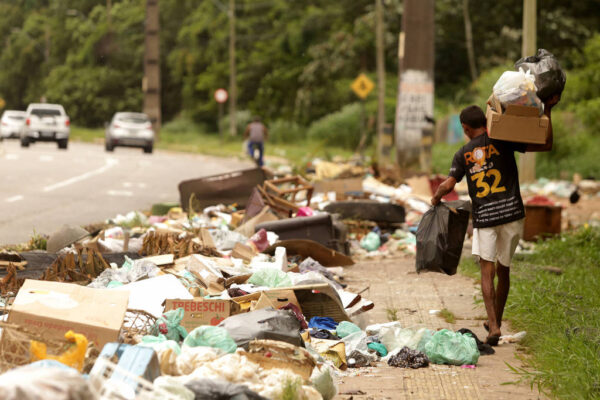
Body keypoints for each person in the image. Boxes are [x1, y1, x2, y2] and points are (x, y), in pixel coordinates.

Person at [431, 96, 558, 345]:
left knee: (487, 272)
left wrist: (436, 198)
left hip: (486, 216)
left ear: (466, 129)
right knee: (504, 269)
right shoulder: (504, 139)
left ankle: (494, 327)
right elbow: (545, 143)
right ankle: (496, 321)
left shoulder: (464, 153)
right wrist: (549, 110)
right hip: (511, 213)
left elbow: (448, 184)